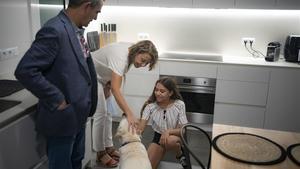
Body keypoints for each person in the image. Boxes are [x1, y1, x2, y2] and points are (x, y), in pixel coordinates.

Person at [14, 0, 104, 169]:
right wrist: (56, 98)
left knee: (76, 160)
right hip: (63, 117)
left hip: (78, 115)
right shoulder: (54, 30)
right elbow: (25, 70)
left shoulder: (75, 30)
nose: (96, 17)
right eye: (97, 12)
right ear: (87, 6)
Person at [91, 40, 158, 167]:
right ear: (139, 51)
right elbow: (116, 89)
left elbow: (113, 76)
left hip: (103, 78)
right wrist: (129, 113)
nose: (142, 64)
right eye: (143, 60)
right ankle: (100, 152)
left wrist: (108, 85)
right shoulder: (121, 57)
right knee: (101, 113)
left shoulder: (131, 51)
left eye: (146, 63)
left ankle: (109, 147)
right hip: (92, 75)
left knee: (109, 112)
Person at [138, 77, 188, 169]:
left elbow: (182, 130)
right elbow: (140, 129)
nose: (157, 93)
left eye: (162, 91)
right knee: (147, 167)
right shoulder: (150, 106)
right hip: (158, 137)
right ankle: (161, 150)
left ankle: (180, 153)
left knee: (170, 141)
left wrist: (168, 132)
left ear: (170, 93)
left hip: (175, 135)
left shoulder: (179, 104)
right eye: (156, 90)